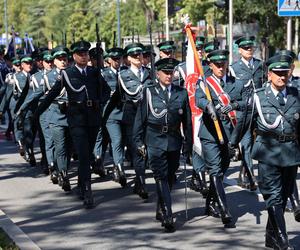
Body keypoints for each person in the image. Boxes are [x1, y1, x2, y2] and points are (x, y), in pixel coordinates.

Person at [231, 54, 299, 249]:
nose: (281, 77)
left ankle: (270, 237)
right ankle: (282, 238)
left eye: (284, 73)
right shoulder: (259, 97)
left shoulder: (296, 94)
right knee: (273, 196)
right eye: (277, 73)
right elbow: (244, 122)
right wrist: (232, 144)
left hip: (290, 153)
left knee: (284, 196)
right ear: (269, 75)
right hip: (267, 153)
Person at [36, 40, 110, 208]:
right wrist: (37, 113)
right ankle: (87, 190)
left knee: (88, 154)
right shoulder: (67, 74)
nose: (84, 57)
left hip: (92, 118)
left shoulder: (95, 72)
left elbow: (106, 91)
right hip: (76, 119)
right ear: (74, 56)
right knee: (83, 155)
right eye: (80, 54)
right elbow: (52, 94)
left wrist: (100, 101)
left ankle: (81, 184)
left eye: (86, 54)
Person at [133, 57, 192, 232]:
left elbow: (186, 121)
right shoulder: (149, 92)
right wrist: (137, 141)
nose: (169, 75)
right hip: (155, 139)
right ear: (157, 74)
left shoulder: (181, 93)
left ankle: (160, 205)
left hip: (173, 140)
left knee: (170, 175)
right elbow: (140, 119)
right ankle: (167, 213)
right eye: (165, 72)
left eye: (171, 72)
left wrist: (188, 142)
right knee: (160, 175)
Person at [195, 49, 245, 226]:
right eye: (217, 65)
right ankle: (224, 209)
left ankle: (209, 202)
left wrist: (234, 105)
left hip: (229, 132)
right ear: (210, 66)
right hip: (210, 133)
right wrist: (208, 106)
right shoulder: (205, 83)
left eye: (223, 64)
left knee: (223, 168)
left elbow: (246, 101)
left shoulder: (235, 83)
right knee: (215, 170)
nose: (221, 67)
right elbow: (198, 100)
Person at [104, 43, 151, 199]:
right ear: (129, 59)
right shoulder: (123, 75)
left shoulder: (150, 73)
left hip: (149, 116)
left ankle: (140, 180)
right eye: (135, 56)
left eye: (141, 55)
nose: (139, 58)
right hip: (132, 116)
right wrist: (104, 116)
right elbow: (132, 93)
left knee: (148, 150)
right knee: (137, 149)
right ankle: (141, 181)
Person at [230, 35, 265, 190]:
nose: (249, 50)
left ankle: (244, 173)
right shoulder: (234, 68)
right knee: (246, 142)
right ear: (240, 50)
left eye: (251, 48)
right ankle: (250, 177)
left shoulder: (260, 65)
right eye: (246, 48)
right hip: (243, 112)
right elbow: (231, 92)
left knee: (262, 142)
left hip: (259, 110)